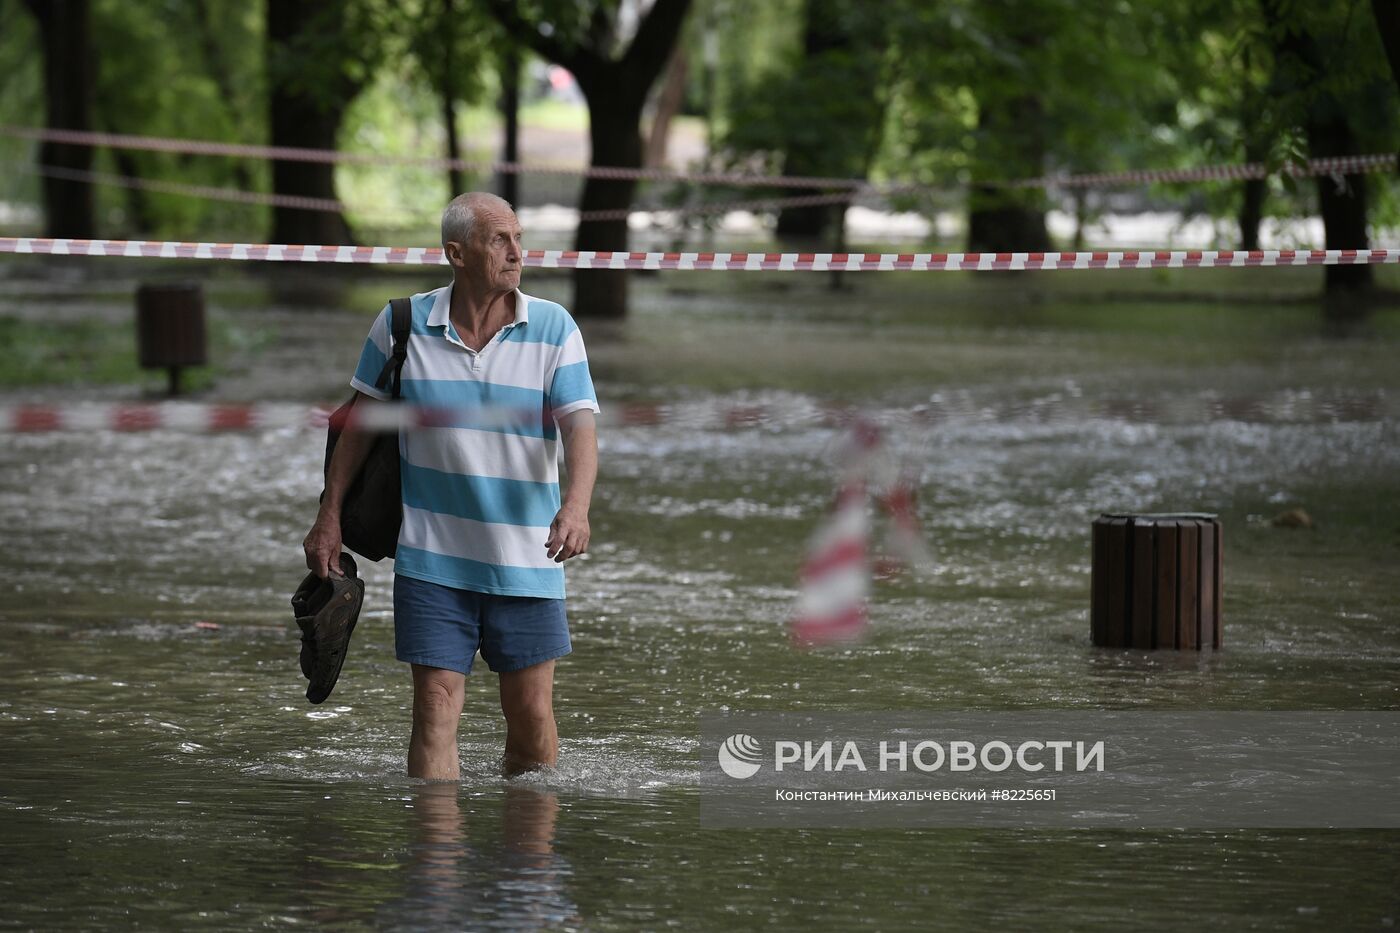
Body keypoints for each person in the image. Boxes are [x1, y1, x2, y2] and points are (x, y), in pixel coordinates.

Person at [302, 192, 599, 780]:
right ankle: (436, 862)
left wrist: (577, 506)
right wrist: (329, 515)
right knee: (434, 713)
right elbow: (357, 425)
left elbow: (580, 426)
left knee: (531, 716)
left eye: (518, 237)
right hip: (432, 559)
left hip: (527, 560)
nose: (518, 252)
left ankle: (527, 863)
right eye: (500, 241)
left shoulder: (554, 326)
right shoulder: (401, 323)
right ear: (455, 254)